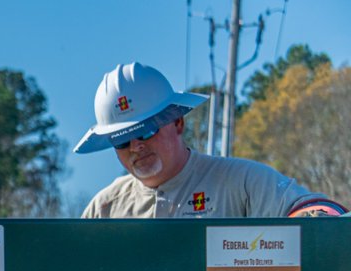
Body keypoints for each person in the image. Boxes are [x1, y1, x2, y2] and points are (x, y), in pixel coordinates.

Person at [76, 62, 346, 218]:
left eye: (146, 131)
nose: (136, 146)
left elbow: (313, 212)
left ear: (178, 122)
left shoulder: (241, 182)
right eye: (122, 141)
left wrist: (316, 220)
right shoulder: (105, 208)